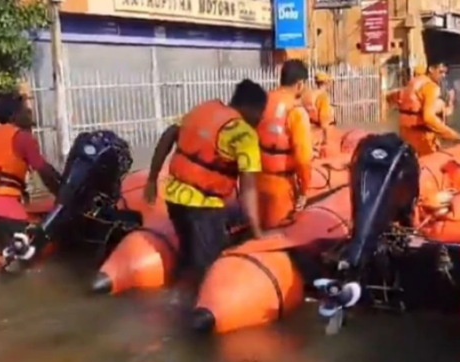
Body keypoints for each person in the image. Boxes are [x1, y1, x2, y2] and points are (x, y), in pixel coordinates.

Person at [143, 79, 267, 284]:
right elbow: (248, 188)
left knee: (189, 254)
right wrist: (257, 232)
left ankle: (180, 288)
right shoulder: (244, 135)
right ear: (251, 108)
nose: (260, 119)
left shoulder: (203, 109)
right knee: (209, 269)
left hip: (174, 200)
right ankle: (197, 298)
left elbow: (169, 134)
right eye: (260, 114)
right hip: (203, 207)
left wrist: (152, 179)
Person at [0, 92, 61, 257]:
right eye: (25, 110)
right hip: (5, 209)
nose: (29, 113)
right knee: (24, 259)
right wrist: (62, 194)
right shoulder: (22, 138)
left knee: (4, 256)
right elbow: (44, 171)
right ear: (14, 116)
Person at [256, 59, 315, 229]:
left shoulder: (262, 101)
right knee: (278, 233)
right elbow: (303, 158)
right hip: (280, 187)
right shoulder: (295, 111)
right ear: (300, 84)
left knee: (259, 231)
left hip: (257, 180)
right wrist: (304, 191)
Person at [397, 60, 460, 156]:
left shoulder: (412, 82)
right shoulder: (431, 87)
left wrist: (448, 105)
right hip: (423, 140)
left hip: (406, 137)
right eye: (441, 72)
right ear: (431, 69)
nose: (443, 76)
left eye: (445, 73)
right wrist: (452, 135)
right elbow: (429, 118)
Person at [302, 71, 336, 153]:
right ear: (326, 83)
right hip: (319, 136)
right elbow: (324, 120)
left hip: (308, 132)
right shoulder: (323, 96)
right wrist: (326, 139)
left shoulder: (308, 94)